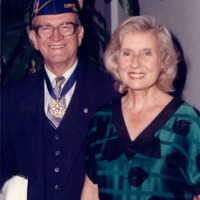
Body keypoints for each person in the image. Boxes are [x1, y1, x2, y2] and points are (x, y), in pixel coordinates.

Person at [0, 0, 119, 199]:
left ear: (79, 34)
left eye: (66, 26)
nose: (56, 36)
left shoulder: (110, 92)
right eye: (45, 28)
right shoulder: (10, 99)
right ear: (34, 39)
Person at [81, 15, 200, 200]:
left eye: (147, 53)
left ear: (163, 61)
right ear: (116, 60)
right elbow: (91, 192)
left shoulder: (188, 121)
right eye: (127, 53)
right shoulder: (100, 121)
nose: (135, 63)